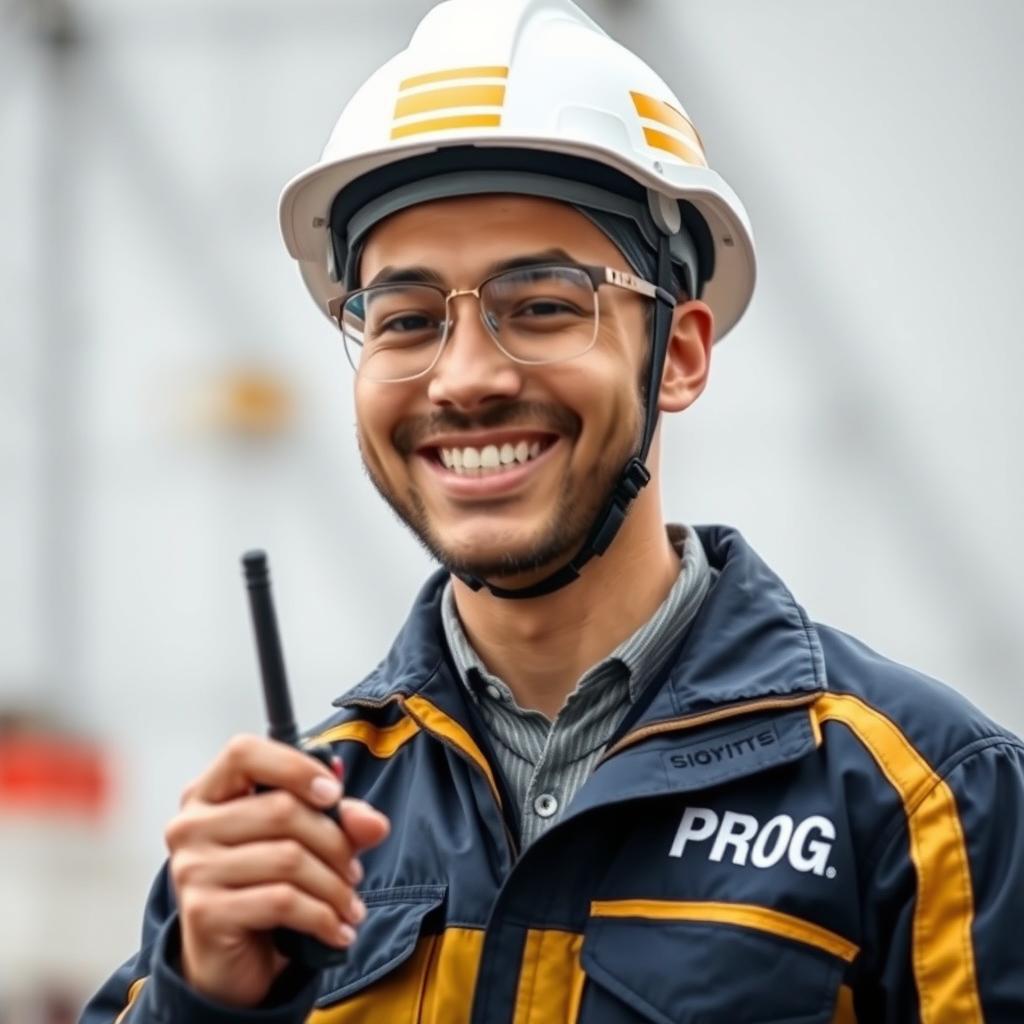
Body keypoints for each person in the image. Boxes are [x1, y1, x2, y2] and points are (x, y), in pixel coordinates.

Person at [82, 1, 1024, 1021]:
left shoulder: (923, 797)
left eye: (540, 305)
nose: (466, 378)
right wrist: (205, 999)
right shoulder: (284, 836)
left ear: (683, 352)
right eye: (404, 320)